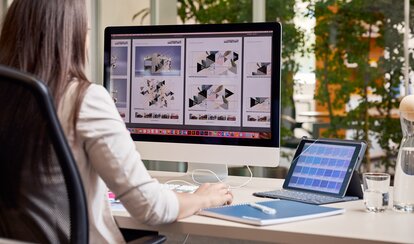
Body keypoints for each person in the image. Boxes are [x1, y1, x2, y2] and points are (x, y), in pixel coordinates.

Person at [0, 0, 233, 243]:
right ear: (71, 37)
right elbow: (151, 207)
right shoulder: (85, 99)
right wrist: (203, 198)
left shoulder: (9, 99)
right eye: (87, 31)